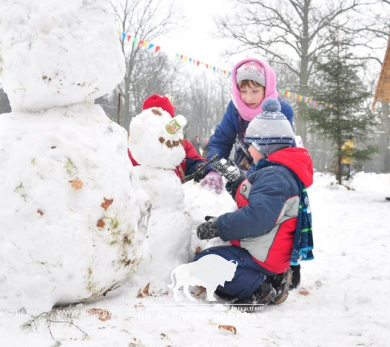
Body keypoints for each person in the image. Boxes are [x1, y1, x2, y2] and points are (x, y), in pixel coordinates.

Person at [194, 98, 313, 307]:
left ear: (265, 146)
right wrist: (236, 179)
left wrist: (219, 226)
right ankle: (273, 277)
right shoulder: (277, 172)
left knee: (203, 263)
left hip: (263, 255)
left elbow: (256, 219)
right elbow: (255, 198)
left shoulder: (274, 176)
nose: (248, 151)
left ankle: (259, 288)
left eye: (251, 146)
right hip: (269, 251)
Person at [201, 58, 294, 193]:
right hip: (246, 157)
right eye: (243, 91)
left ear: (266, 89)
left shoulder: (282, 110)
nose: (248, 98)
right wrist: (213, 169)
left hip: (276, 164)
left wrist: (248, 178)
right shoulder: (235, 108)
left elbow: (275, 152)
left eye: (255, 91)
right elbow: (221, 141)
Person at [128, 94, 206, 179]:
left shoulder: (182, 145)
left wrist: (201, 168)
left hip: (175, 189)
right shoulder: (134, 150)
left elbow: (195, 162)